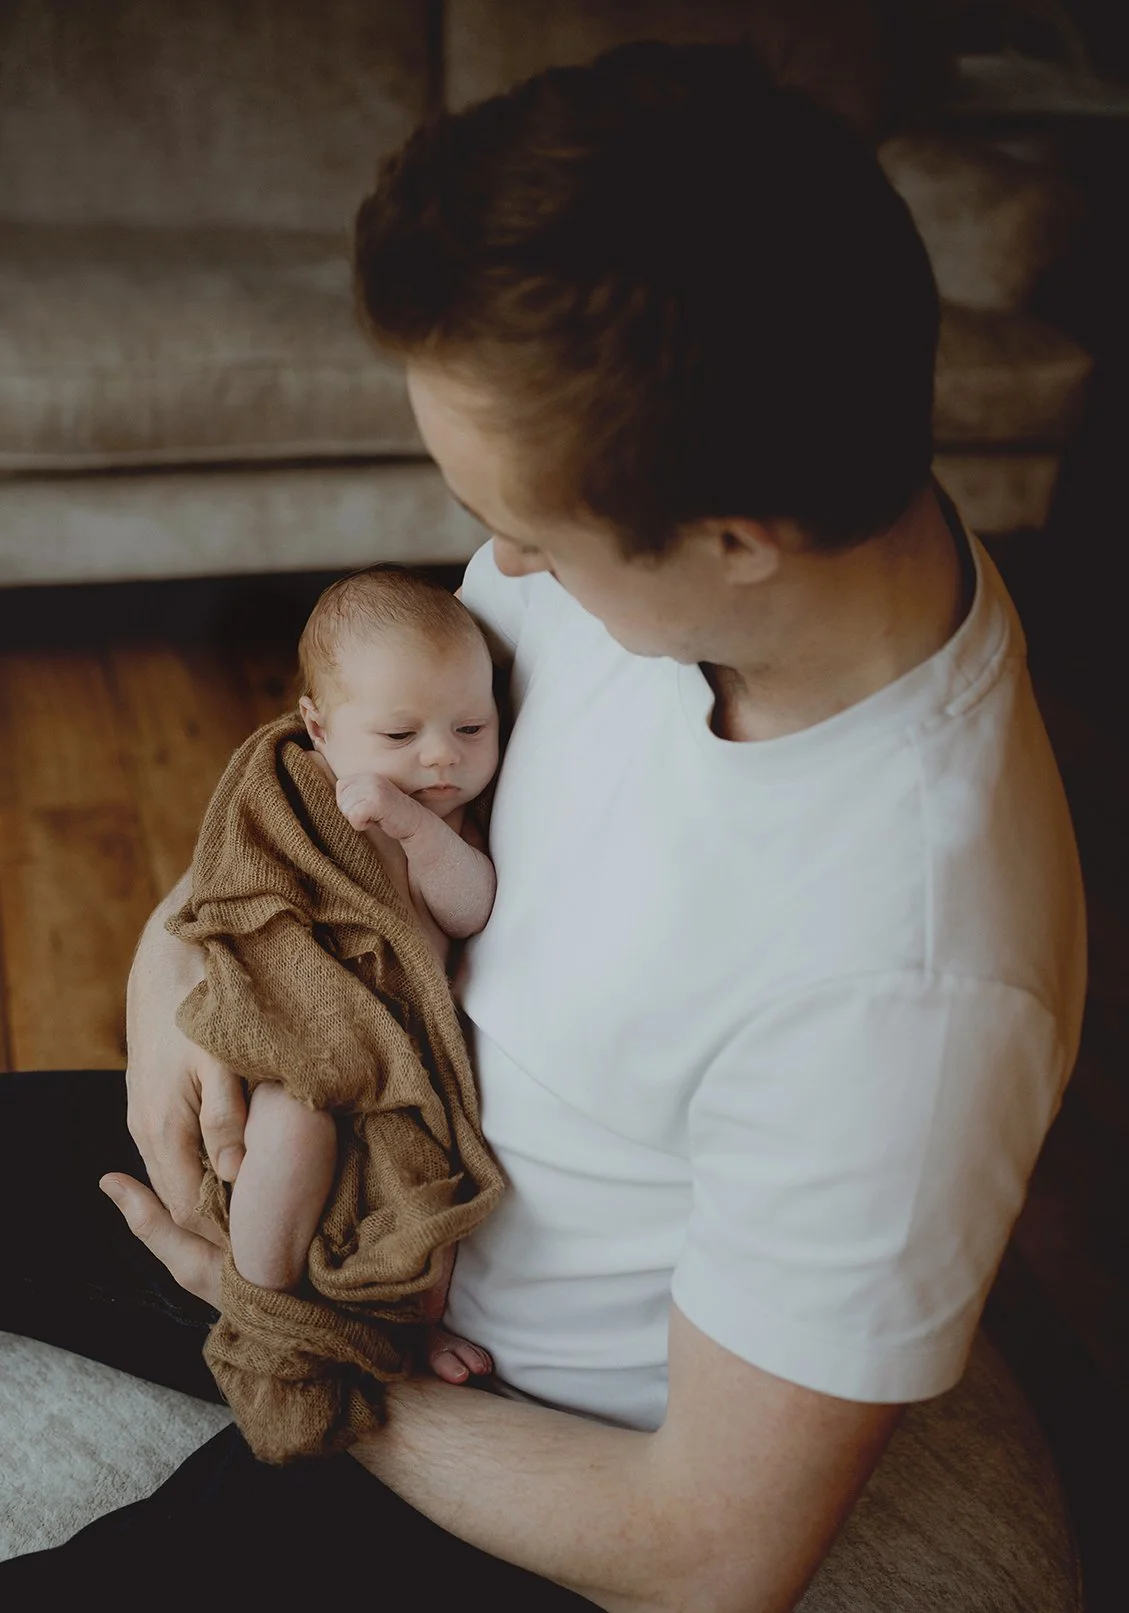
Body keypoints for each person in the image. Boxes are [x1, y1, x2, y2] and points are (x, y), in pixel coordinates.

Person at [0, 39, 1085, 1611]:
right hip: (350, 1129)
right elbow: (360, 790)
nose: (493, 556)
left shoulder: (909, 980)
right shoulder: (655, 535)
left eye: (529, 528)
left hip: (489, 1404)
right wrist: (178, 945)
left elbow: (710, 1553)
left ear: (735, 540)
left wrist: (304, 1348)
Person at [196, 566, 502, 1436]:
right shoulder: (292, 795)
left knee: (433, 1197)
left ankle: (413, 1327)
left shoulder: (451, 823)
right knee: (291, 1127)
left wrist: (416, 829)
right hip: (317, 1037)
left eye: (472, 726)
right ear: (318, 730)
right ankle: (263, 1302)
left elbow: (469, 905)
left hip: (412, 1056)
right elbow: (244, 885)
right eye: (400, 732)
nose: (442, 755)